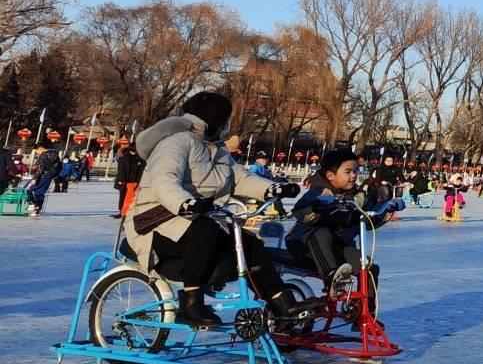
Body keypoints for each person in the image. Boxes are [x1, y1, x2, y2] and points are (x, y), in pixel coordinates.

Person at [123, 91, 307, 328]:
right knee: (205, 229)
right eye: (226, 119)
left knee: (249, 243)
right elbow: (164, 180)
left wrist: (274, 189)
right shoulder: (176, 142)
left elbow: (239, 178)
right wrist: (185, 203)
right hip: (154, 221)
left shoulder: (216, 149)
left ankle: (280, 303)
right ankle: (190, 304)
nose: (228, 125)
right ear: (215, 119)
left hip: (191, 219)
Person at [285, 147, 389, 308]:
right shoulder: (319, 191)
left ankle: (363, 312)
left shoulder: (356, 196)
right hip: (305, 245)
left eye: (355, 171)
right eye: (348, 172)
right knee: (321, 231)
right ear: (330, 176)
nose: (354, 176)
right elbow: (300, 210)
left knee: (367, 267)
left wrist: (386, 208)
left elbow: (367, 220)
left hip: (337, 246)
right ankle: (331, 277)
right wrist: (317, 207)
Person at [25, 143, 58, 216]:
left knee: (29, 190)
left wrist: (35, 177)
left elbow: (41, 168)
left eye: (36, 151)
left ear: (41, 148)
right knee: (40, 192)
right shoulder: (55, 155)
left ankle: (33, 205)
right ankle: (37, 208)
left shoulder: (43, 156)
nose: (36, 153)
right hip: (48, 176)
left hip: (42, 176)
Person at [113, 143, 144, 219]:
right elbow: (121, 171)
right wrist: (121, 180)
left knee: (132, 198)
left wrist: (139, 181)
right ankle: (122, 211)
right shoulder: (124, 158)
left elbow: (141, 172)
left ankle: (129, 211)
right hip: (125, 181)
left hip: (134, 181)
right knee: (123, 196)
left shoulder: (140, 159)